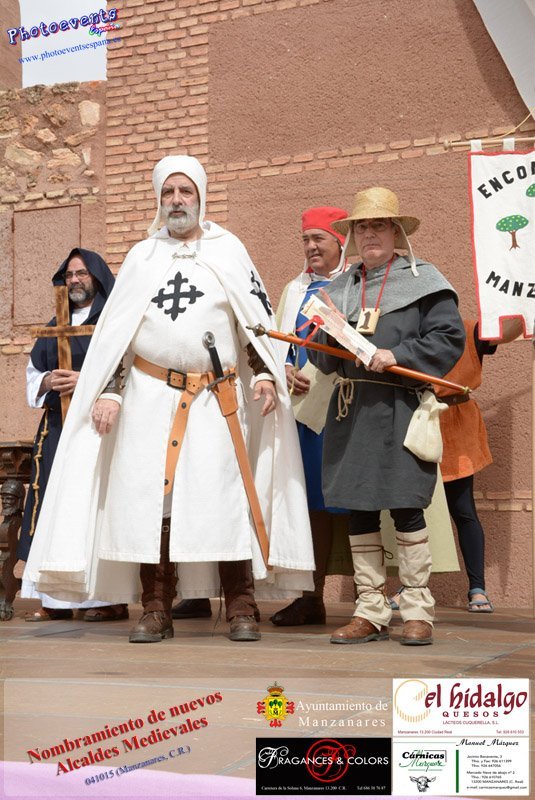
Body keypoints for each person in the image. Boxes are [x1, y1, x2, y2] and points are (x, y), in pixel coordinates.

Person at [23, 155, 314, 644]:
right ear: (159, 200)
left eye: (185, 191)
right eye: (168, 193)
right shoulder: (143, 257)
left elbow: (251, 323)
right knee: (150, 503)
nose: (177, 201)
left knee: (226, 496)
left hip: (216, 398)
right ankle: (156, 609)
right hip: (149, 397)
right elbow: (120, 335)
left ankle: (241, 608)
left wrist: (265, 372)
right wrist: (110, 391)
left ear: (200, 197)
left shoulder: (229, 250)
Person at [308, 186, 465, 646]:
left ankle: (416, 609)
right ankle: (370, 611)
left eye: (378, 226)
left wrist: (399, 353)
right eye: (361, 228)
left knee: (406, 505)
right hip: (350, 411)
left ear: (396, 231)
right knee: (358, 507)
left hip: (401, 408)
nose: (370, 235)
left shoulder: (425, 281)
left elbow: (448, 340)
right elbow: (322, 360)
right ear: (353, 236)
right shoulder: (338, 289)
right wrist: (330, 335)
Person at [18, 249, 128, 623]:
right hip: (57, 428)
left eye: (82, 273)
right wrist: (49, 380)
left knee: (94, 510)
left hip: (99, 429)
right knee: (54, 508)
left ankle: (106, 598)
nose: (75, 280)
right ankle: (54, 599)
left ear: (97, 277)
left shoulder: (113, 320)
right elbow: (34, 376)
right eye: (69, 275)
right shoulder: (55, 325)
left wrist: (87, 381)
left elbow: (125, 368)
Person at [390, 317, 524, 613]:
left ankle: (477, 588)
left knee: (463, 509)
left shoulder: (468, 328)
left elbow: (504, 333)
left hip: (456, 423)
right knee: (410, 511)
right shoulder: (407, 324)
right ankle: (410, 586)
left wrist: (524, 309)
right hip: (417, 421)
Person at [270, 206, 349, 626]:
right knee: (310, 503)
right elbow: (279, 343)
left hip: (345, 407)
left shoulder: (356, 284)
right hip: (301, 414)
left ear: (340, 242)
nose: (311, 247)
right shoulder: (294, 290)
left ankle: (373, 598)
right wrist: (282, 367)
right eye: (306, 239)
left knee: (355, 501)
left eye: (319, 238)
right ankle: (310, 597)